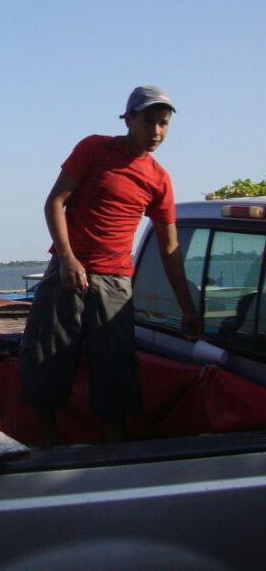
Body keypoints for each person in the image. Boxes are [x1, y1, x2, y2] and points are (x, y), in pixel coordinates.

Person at [19, 85, 202, 447]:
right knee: (46, 362)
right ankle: (48, 448)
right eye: (148, 121)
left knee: (115, 372)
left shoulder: (159, 179)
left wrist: (187, 308)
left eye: (163, 124)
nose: (156, 132)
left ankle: (114, 450)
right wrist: (68, 258)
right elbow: (54, 202)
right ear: (128, 119)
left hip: (117, 282)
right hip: (68, 274)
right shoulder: (94, 148)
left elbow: (170, 248)